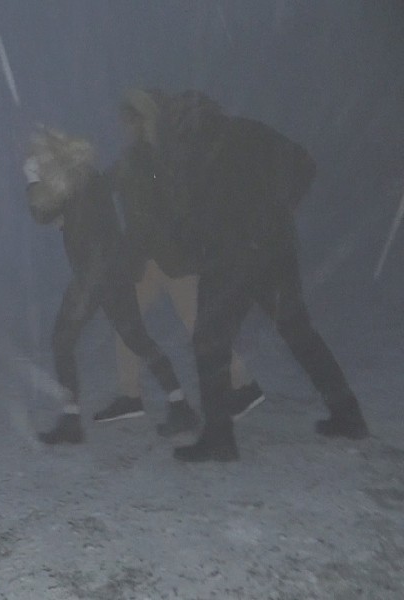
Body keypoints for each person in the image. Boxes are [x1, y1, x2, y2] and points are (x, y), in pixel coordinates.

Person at [151, 90, 370, 462]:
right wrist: (276, 214)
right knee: (297, 330)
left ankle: (220, 437)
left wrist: (196, 240)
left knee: (209, 342)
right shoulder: (250, 131)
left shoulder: (190, 151)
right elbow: (305, 164)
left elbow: (187, 214)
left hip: (229, 258)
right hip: (274, 252)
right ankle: (347, 413)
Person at [92, 89, 266, 437]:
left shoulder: (157, 156)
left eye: (129, 119)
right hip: (149, 260)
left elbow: (164, 207)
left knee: (198, 327)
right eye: (123, 119)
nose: (123, 125)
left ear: (143, 120)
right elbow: (105, 187)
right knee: (127, 322)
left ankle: (244, 388)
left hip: (174, 259)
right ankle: (130, 396)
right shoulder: (134, 157)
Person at [22, 127, 187, 444]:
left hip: (94, 273)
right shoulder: (85, 176)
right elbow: (56, 213)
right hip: (115, 270)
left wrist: (31, 180)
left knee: (62, 340)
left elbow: (42, 213)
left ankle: (71, 421)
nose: (38, 163)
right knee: (137, 337)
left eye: (39, 159)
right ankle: (180, 404)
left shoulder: (73, 180)